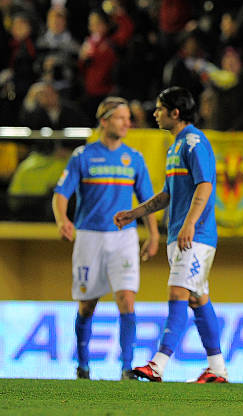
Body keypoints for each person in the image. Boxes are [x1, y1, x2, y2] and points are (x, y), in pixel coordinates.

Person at [114, 87, 228, 384]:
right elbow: (167, 195)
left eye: (159, 108)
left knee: (178, 293)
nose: (155, 113)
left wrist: (190, 223)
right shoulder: (175, 146)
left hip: (196, 235)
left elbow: (205, 185)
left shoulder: (194, 142)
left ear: (175, 113)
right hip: (180, 234)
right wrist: (133, 214)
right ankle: (217, 369)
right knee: (198, 298)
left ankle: (158, 364)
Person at [52, 97, 160, 380]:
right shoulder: (83, 156)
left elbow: (147, 200)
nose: (127, 123)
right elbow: (61, 193)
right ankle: (83, 365)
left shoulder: (134, 158)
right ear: (104, 121)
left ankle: (127, 367)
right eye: (121, 118)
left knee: (126, 298)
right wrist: (63, 220)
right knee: (87, 304)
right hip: (89, 237)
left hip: (124, 237)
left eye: (128, 118)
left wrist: (154, 233)